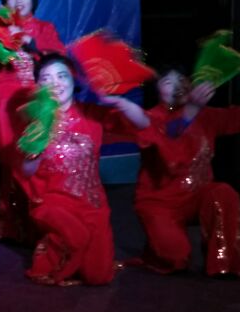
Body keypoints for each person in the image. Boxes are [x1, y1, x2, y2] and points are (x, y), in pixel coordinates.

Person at [20, 54, 148, 286]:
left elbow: (143, 124)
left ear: (73, 80)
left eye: (62, 76)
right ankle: (51, 251)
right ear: (38, 86)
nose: (55, 83)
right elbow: (27, 171)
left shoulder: (92, 114)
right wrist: (37, 145)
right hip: (52, 201)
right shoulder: (35, 121)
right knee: (76, 236)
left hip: (91, 203)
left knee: (98, 276)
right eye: (46, 79)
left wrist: (118, 102)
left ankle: (73, 252)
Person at [133, 66, 240, 277]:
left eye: (182, 80)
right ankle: (156, 246)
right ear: (157, 90)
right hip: (160, 204)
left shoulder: (206, 115)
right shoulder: (149, 118)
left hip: (196, 198)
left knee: (223, 193)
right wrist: (191, 111)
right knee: (176, 258)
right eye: (168, 82)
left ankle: (223, 264)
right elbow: (167, 140)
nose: (177, 86)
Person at [0, 0, 65, 244]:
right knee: (10, 159)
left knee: (38, 156)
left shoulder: (44, 28)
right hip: (7, 101)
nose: (18, 1)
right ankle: (11, 225)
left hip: (39, 99)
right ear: (5, 3)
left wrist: (30, 41)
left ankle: (40, 221)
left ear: (33, 0)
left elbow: (58, 57)